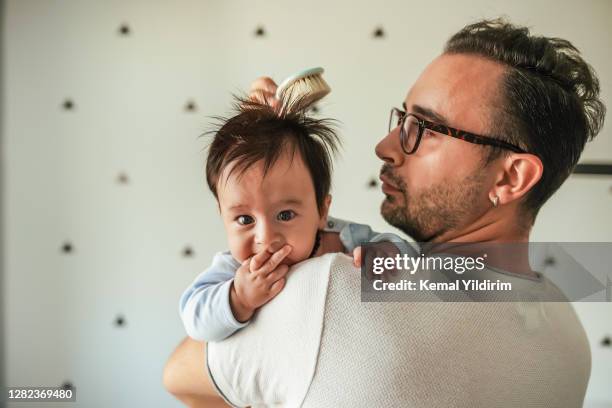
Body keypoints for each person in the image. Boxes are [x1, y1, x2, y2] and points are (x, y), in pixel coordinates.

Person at [163, 18, 606, 407]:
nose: (387, 146)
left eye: (424, 129)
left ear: (510, 179)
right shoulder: (569, 333)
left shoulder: (330, 291)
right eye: (401, 120)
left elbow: (179, 377)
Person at [179, 96, 407, 343]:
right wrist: (239, 298)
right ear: (223, 216)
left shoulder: (344, 239)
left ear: (321, 211)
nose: (265, 238)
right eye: (245, 219)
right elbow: (194, 319)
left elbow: (409, 257)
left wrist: (387, 252)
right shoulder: (235, 269)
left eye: (285, 215)